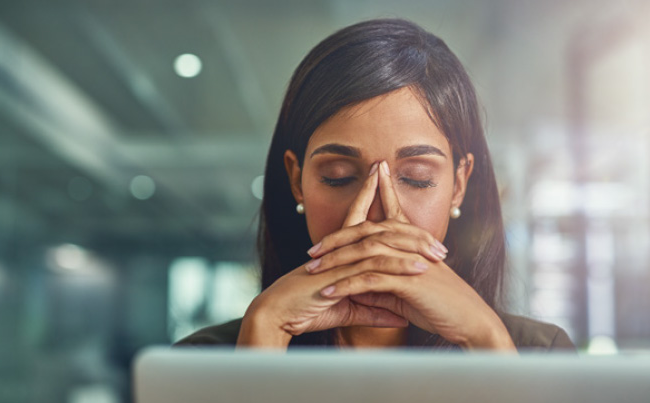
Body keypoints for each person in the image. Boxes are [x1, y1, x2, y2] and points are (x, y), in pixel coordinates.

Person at [176, 18, 574, 351]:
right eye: (339, 177)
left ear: (458, 185)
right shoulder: (208, 358)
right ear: (297, 182)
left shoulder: (534, 352)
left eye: (416, 179)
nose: (376, 213)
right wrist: (265, 332)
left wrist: (485, 340)